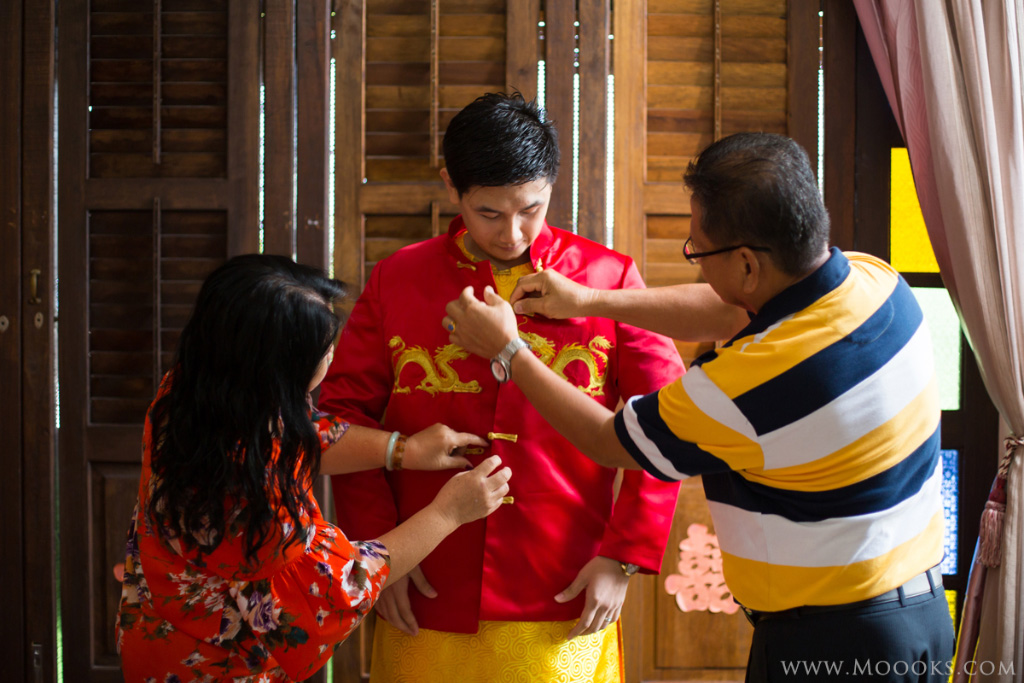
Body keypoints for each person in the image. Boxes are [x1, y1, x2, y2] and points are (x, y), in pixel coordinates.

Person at [445, 132, 955, 682]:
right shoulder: (875, 281)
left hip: (835, 642)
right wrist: (589, 300)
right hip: (921, 612)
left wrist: (509, 351)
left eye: (698, 250)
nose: (696, 263)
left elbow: (610, 441)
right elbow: (731, 311)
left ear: (747, 265)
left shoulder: (750, 384)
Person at [319, 92, 684, 682]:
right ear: (452, 186)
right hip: (426, 577)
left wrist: (623, 557)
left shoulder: (606, 280)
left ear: (552, 187)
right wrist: (381, 550)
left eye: (531, 209)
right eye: (488, 212)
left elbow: (666, 424)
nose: (512, 233)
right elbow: (342, 419)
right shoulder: (398, 279)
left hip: (566, 581)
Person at [115, 254, 511, 682]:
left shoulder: (191, 390)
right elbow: (338, 586)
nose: (333, 354)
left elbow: (298, 436)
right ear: (277, 371)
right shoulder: (257, 494)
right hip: (217, 665)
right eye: (324, 348)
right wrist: (448, 512)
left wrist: (403, 449)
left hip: (154, 633)